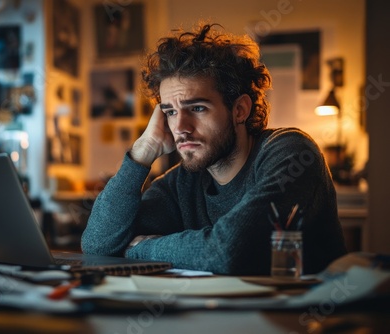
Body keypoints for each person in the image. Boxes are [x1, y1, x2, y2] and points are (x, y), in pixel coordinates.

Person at [81, 23, 347, 275]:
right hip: (220, 318)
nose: (181, 127)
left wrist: (142, 249)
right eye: (170, 112)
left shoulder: (292, 153)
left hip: (305, 320)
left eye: (197, 108)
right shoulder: (183, 183)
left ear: (239, 110)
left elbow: (230, 250)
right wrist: (142, 152)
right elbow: (98, 246)